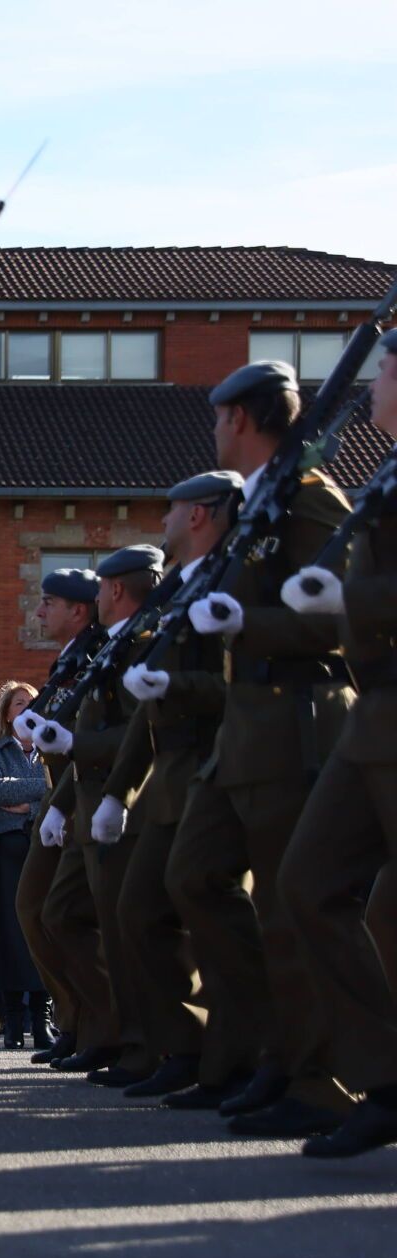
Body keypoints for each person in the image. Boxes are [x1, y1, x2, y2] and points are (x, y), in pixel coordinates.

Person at [166, 359, 357, 1139]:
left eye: (220, 419)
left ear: (240, 420)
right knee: (195, 877)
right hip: (246, 730)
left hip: (293, 717)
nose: (215, 431)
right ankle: (261, 1047)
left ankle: (313, 1073)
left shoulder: (311, 500)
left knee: (288, 903)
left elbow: (336, 614)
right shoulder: (259, 506)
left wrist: (246, 626)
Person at [279, 326, 397, 1157]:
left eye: (385, 367)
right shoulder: (386, 471)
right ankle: (386, 1079)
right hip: (374, 715)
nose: (374, 383)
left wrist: (346, 605)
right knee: (309, 882)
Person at [103, 472, 242, 1102]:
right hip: (169, 777)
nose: (163, 520)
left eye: (174, 509)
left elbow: (235, 685)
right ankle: (184, 1047)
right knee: (142, 911)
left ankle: (233, 1054)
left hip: (213, 766)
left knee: (207, 909)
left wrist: (173, 689)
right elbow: (142, 711)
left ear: (201, 516)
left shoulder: (224, 578)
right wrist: (114, 791)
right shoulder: (183, 589)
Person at [40, 544, 168, 1085]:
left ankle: (145, 1042)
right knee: (66, 916)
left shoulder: (139, 645)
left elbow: (141, 731)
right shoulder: (106, 649)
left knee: (127, 923)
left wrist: (85, 760)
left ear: (113, 591)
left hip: (125, 798)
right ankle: (108, 1032)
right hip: (87, 796)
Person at [17, 568, 104, 1066]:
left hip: (83, 792)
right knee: (33, 910)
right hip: (59, 793)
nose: (39, 612)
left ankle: (98, 1023)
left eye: (48, 602)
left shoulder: (94, 654)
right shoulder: (68, 658)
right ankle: (74, 1018)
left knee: (64, 913)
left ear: (78, 609)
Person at [0, 681, 49, 1050]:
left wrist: (27, 807)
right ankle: (13, 1022)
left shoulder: (50, 751)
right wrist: (39, 797)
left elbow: (58, 789)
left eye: (31, 703)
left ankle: (42, 1018)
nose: (26, 709)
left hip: (45, 851)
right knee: (10, 937)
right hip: (6, 854)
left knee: (43, 931)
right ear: (5, 713)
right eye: (19, 704)